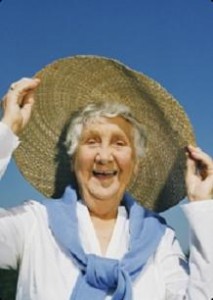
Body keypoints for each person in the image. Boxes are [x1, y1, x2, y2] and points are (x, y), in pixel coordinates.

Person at [0, 56, 213, 300]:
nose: (104, 156)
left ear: (135, 164)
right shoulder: (35, 224)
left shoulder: (161, 242)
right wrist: (7, 130)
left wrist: (203, 205)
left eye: (119, 143)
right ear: (74, 159)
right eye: (91, 141)